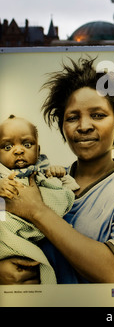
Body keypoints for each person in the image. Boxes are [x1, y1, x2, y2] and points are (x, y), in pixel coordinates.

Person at [0, 57, 114, 285]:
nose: (84, 126)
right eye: (72, 117)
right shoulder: (45, 180)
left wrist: (37, 211)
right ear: (63, 128)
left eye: (98, 115)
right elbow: (3, 218)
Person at [0, 115, 78, 284]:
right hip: (8, 235)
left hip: (40, 235)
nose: (19, 150)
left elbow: (69, 188)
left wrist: (58, 175)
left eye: (27, 144)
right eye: (7, 147)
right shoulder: (2, 174)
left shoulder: (41, 171)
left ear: (38, 150)